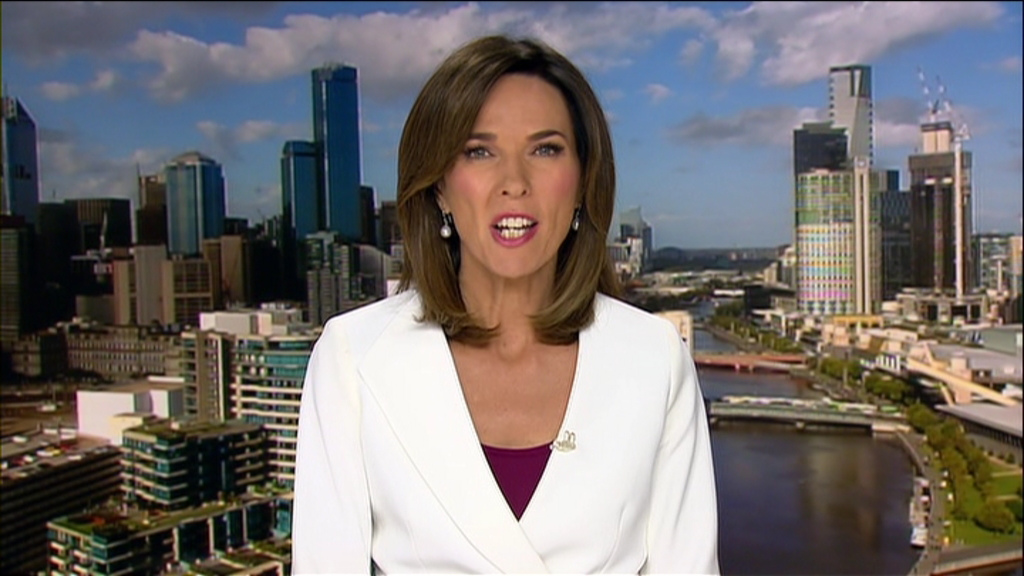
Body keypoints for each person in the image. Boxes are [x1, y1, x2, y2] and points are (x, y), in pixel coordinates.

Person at [292, 34, 719, 575]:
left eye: (545, 149)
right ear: (440, 187)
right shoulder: (354, 356)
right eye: (479, 151)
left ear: (583, 181)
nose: (514, 183)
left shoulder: (654, 357)